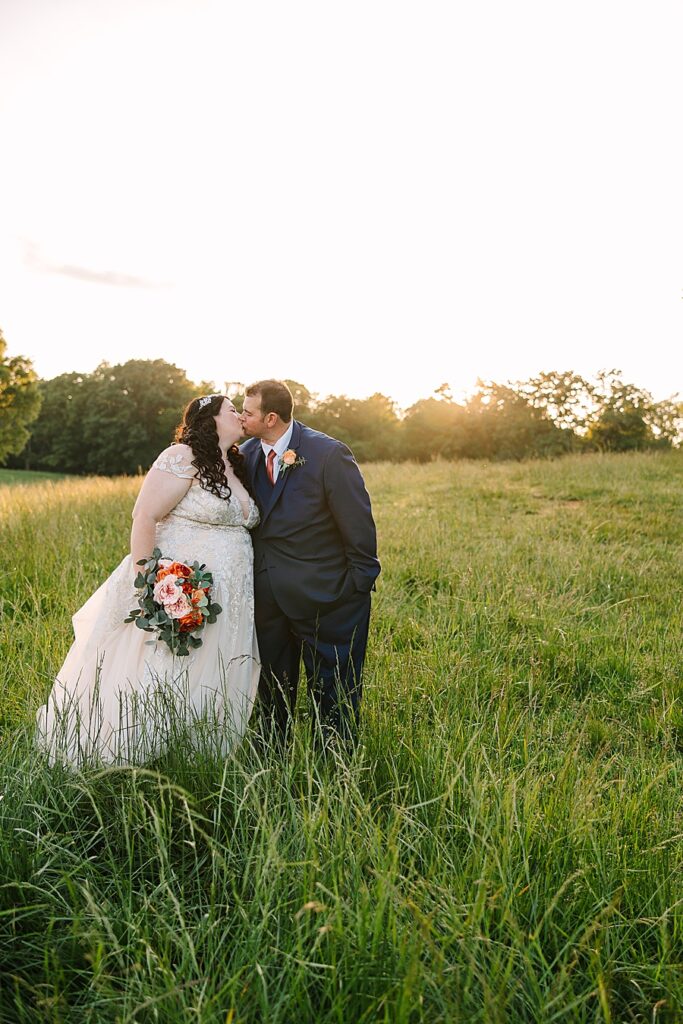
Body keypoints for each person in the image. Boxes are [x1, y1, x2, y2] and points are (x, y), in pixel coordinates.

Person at [36, 395, 260, 766]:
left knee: (216, 666)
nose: (239, 415)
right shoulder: (181, 457)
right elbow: (144, 516)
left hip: (231, 593)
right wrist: (152, 582)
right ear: (210, 420)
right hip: (182, 586)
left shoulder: (236, 463)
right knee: (166, 666)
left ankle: (199, 755)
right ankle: (136, 752)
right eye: (231, 410)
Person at [240, 379, 380, 745]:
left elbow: (358, 523)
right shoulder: (247, 454)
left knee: (335, 694)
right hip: (269, 599)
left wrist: (357, 586)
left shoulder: (328, 454)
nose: (241, 417)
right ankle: (272, 760)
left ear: (271, 418)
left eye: (247, 411)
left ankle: (335, 769)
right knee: (271, 691)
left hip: (327, 596)